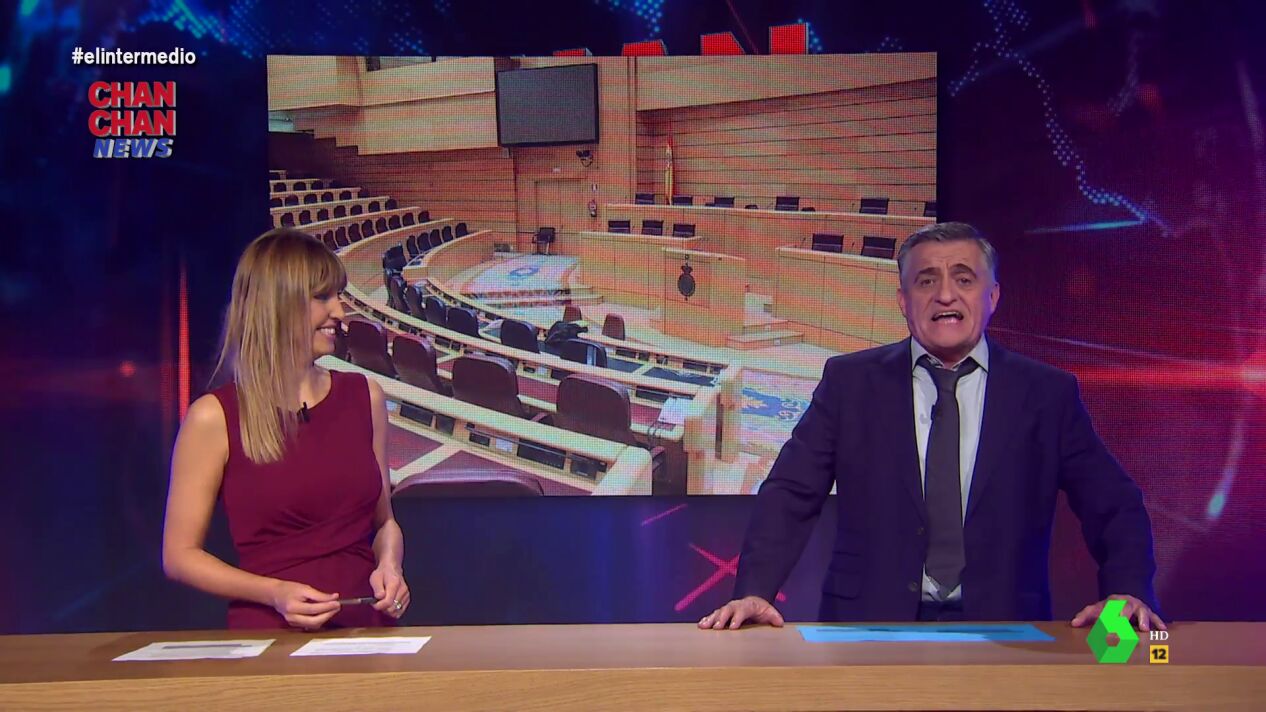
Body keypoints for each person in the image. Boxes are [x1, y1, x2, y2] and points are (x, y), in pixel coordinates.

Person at [700, 222, 1165, 630]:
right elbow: (790, 493)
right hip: (867, 629)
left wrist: (1127, 590)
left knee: (1124, 659)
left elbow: (1114, 501)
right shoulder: (850, 383)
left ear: (992, 296)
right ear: (903, 301)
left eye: (964, 279)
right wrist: (755, 590)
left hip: (1008, 631)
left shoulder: (1046, 393)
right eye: (926, 281)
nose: (945, 295)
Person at [163, 228, 410, 630]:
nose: (340, 312)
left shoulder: (365, 396)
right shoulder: (214, 417)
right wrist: (274, 593)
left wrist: (390, 566)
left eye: (338, 296)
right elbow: (179, 556)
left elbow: (384, 523)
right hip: (271, 634)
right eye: (322, 297)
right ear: (277, 304)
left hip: (366, 629)